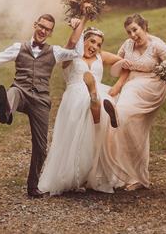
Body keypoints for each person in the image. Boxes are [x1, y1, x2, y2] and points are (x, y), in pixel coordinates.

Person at [0, 11, 87, 198]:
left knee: (41, 146)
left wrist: (79, 29)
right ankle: (5, 111)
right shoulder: (18, 47)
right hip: (21, 91)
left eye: (47, 29)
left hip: (41, 99)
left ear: (50, 32)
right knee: (12, 92)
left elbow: (77, 53)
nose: (43, 31)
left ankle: (33, 186)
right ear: (35, 24)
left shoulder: (55, 51)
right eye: (41, 26)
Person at [37, 27, 123, 195]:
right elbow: (71, 43)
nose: (95, 47)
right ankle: (96, 100)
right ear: (83, 40)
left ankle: (98, 101)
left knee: (96, 130)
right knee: (82, 130)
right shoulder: (71, 56)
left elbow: (124, 63)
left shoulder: (100, 56)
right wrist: (80, 23)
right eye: (91, 41)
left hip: (99, 91)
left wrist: (119, 84)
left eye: (98, 44)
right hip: (75, 94)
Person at [105, 13, 166, 191]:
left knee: (127, 101)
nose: (133, 35)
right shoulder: (127, 45)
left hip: (152, 86)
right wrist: (119, 63)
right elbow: (115, 64)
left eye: (135, 30)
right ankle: (135, 177)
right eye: (129, 32)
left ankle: (118, 112)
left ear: (144, 27)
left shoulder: (157, 45)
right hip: (132, 84)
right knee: (134, 130)